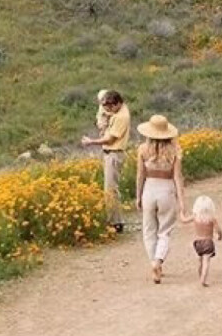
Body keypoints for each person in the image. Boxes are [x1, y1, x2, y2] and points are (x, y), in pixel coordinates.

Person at [135, 113, 187, 283]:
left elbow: (140, 175)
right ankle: (159, 261)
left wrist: (138, 195)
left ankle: (153, 263)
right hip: (166, 190)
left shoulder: (143, 150)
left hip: (149, 189)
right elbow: (178, 177)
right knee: (165, 231)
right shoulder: (175, 151)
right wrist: (182, 203)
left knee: (149, 230)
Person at [80, 90, 130, 233]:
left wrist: (92, 142)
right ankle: (114, 219)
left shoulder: (121, 117)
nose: (108, 110)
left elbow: (110, 139)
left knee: (111, 189)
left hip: (114, 154)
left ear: (117, 104)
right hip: (111, 154)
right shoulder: (118, 110)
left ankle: (115, 222)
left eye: (110, 108)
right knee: (110, 188)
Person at [181, 195, 222, 287]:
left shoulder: (195, 217)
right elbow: (218, 230)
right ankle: (203, 279)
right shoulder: (212, 219)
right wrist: (220, 236)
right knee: (206, 261)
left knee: (200, 261)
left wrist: (181, 213)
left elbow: (184, 220)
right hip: (208, 242)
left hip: (197, 243)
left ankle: (200, 275)